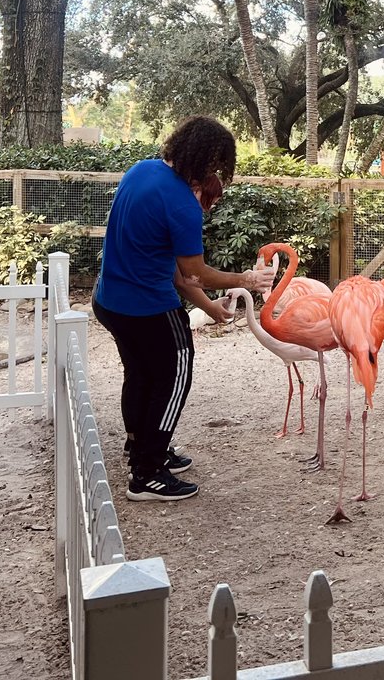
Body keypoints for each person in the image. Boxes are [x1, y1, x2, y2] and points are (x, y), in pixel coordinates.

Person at [93, 116, 272, 502]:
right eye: (218, 165)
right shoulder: (182, 205)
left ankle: (140, 446)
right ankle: (147, 474)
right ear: (207, 160)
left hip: (110, 300)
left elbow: (176, 271)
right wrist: (246, 279)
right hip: (147, 307)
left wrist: (209, 307)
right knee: (175, 375)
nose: (218, 174)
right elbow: (195, 272)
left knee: (141, 373)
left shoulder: (141, 171)